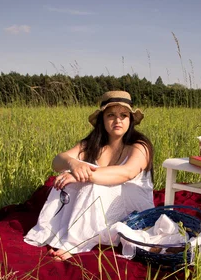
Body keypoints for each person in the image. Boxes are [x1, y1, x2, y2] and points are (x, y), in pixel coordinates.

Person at [24, 91, 154, 261]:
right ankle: (53, 231)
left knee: (92, 184)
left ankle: (75, 243)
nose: (118, 120)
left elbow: (127, 172)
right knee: (66, 178)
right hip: (102, 199)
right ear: (102, 119)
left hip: (132, 203)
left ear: (130, 120)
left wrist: (82, 175)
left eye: (124, 115)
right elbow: (57, 162)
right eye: (111, 115)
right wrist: (73, 165)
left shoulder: (140, 146)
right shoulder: (93, 144)